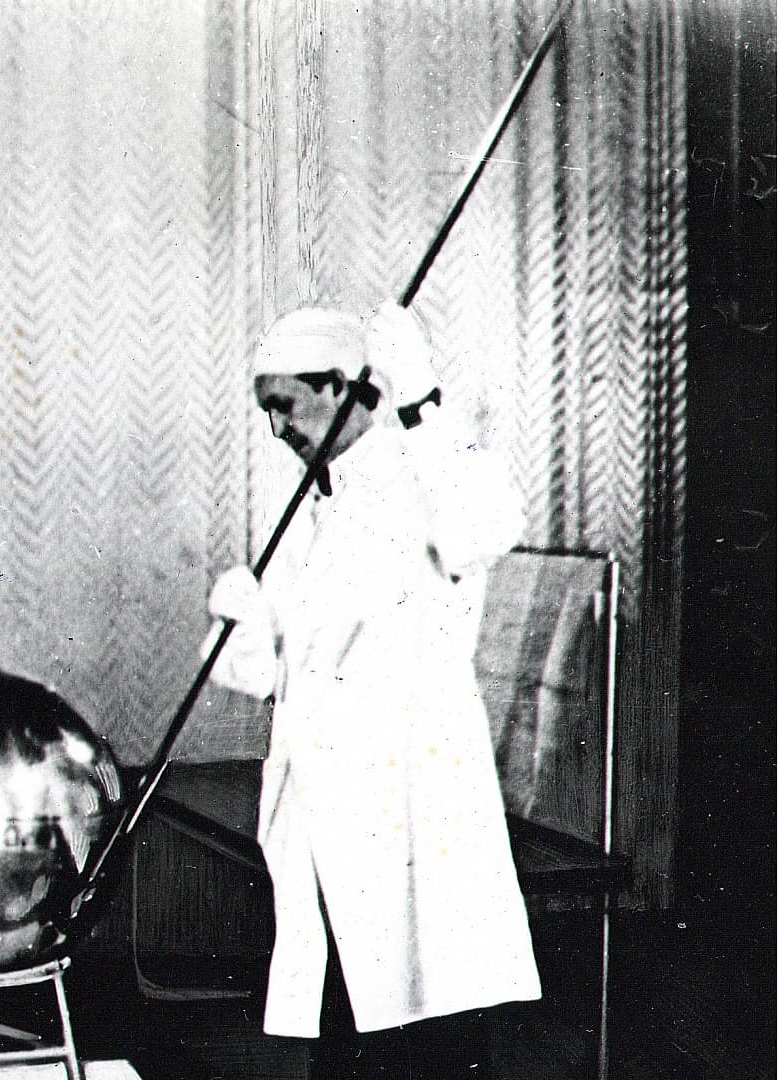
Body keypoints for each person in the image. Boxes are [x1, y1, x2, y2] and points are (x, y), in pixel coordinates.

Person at [203, 304, 540, 1077]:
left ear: (339, 386)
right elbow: (266, 676)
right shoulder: (308, 505)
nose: (275, 428)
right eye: (265, 411)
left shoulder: (420, 470)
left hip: (412, 800)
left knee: (430, 1022)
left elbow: (490, 523)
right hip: (327, 809)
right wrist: (242, 627)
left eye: (284, 405)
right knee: (349, 1026)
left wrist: (421, 401)